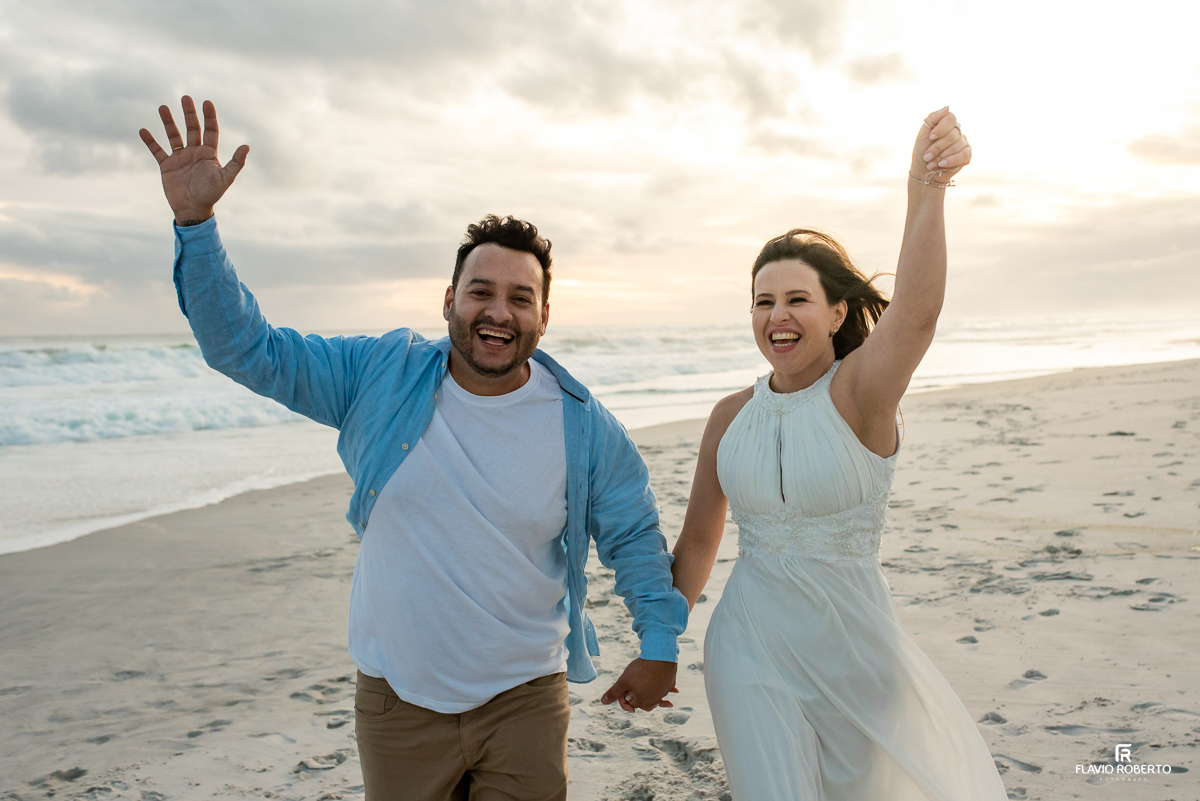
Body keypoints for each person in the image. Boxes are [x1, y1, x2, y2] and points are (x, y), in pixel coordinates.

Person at [139, 96, 688, 801]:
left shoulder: (583, 426)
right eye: (480, 291)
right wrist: (196, 225)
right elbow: (248, 349)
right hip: (398, 700)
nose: (499, 311)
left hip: (524, 696)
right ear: (449, 300)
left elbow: (636, 538)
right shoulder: (377, 374)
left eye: (521, 298)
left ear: (545, 314)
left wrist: (660, 644)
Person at [670, 108, 1008, 800]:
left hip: (856, 653)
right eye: (763, 301)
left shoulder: (861, 395)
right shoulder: (729, 416)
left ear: (835, 311)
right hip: (749, 646)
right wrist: (654, 639)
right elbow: (700, 540)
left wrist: (926, 190)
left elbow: (914, 311)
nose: (777, 316)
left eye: (797, 298)